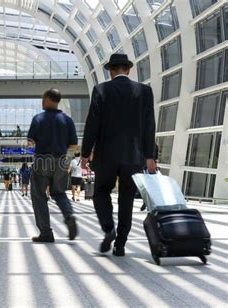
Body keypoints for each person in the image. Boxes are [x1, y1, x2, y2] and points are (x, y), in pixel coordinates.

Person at [81, 53, 156, 257]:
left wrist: (85, 153)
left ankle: (108, 228)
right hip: (134, 155)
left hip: (106, 155)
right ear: (129, 69)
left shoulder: (101, 90)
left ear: (110, 71)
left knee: (101, 192)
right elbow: (149, 126)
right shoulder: (144, 91)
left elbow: (92, 124)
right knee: (126, 199)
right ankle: (120, 244)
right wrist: (150, 155)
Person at [27, 88, 79, 242]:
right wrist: (66, 162)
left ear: (49, 100)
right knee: (59, 193)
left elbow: (30, 143)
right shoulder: (67, 120)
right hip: (61, 160)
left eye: (43, 99)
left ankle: (46, 232)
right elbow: (73, 145)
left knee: (39, 196)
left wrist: (33, 148)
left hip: (42, 160)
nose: (42, 102)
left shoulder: (38, 119)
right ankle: (69, 216)